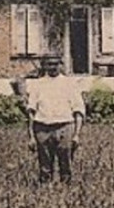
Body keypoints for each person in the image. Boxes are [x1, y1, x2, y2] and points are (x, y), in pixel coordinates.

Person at [23, 55, 86, 184]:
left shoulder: (70, 84)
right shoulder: (37, 85)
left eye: (55, 64)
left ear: (60, 65)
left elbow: (78, 110)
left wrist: (76, 135)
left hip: (64, 127)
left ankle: (66, 193)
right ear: (44, 66)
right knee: (45, 166)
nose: (53, 67)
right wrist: (31, 136)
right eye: (49, 64)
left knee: (65, 164)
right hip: (42, 127)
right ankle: (46, 193)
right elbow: (31, 112)